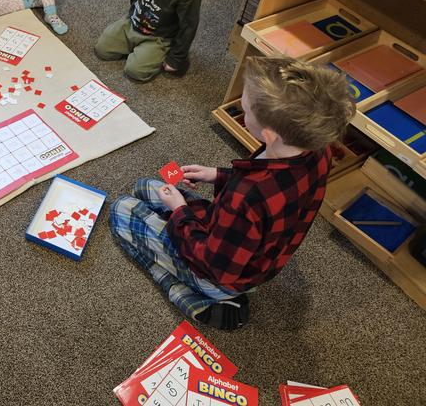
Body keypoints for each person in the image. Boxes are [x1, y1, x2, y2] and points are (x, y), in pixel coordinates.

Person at [109, 57, 355, 329]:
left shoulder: (247, 197)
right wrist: (218, 174)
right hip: (251, 252)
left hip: (221, 276)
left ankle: (200, 298)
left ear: (270, 135)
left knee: (121, 209)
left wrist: (179, 212)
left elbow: (215, 263)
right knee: (145, 187)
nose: (241, 108)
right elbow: (267, 187)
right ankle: (200, 284)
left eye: (245, 109)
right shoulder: (317, 150)